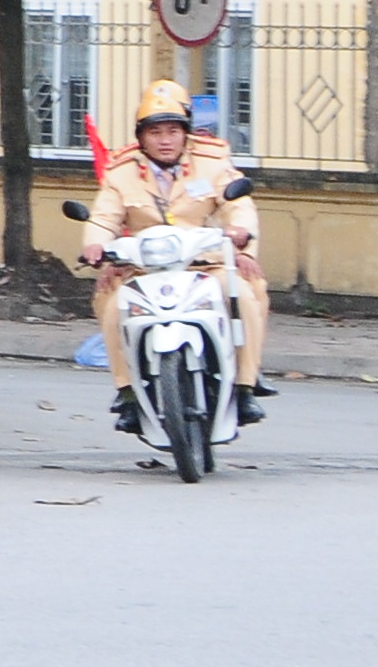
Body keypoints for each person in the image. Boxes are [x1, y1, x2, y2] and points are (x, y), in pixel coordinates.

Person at [86, 80, 270, 429]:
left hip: (206, 263)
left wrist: (241, 241)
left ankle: (246, 386)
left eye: (173, 130)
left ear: (187, 132)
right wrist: (98, 247)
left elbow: (238, 204)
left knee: (244, 292)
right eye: (155, 132)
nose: (165, 140)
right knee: (111, 303)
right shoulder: (120, 169)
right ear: (141, 136)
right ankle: (127, 393)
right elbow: (104, 216)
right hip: (143, 269)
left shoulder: (212, 160)